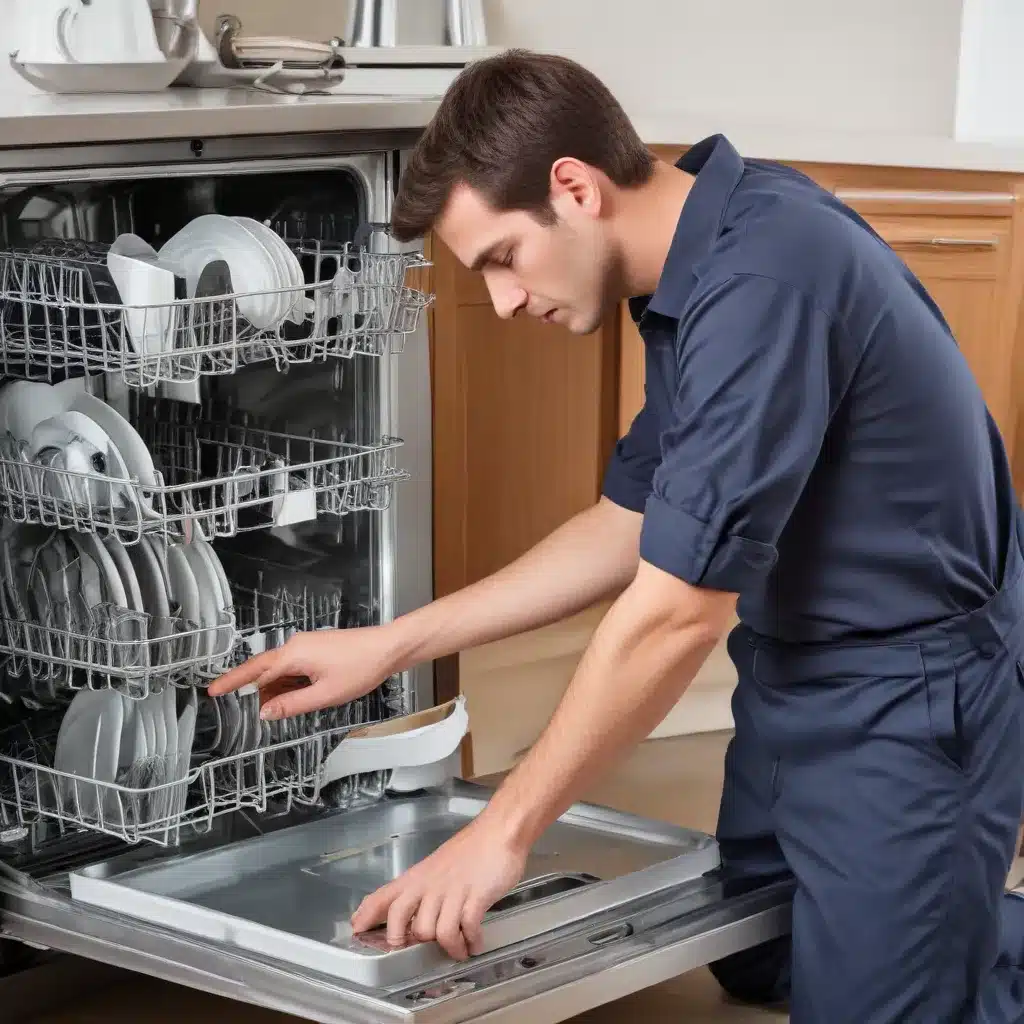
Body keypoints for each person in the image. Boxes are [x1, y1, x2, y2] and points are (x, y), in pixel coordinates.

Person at [209, 49, 1024, 1022]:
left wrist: (503, 832)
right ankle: (948, 929)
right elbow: (629, 524)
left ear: (574, 187)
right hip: (797, 669)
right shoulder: (697, 257)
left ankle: (949, 939)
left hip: (912, 695)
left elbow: (674, 615)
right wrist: (395, 641)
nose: (504, 302)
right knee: (760, 948)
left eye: (502, 258)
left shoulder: (765, 281)